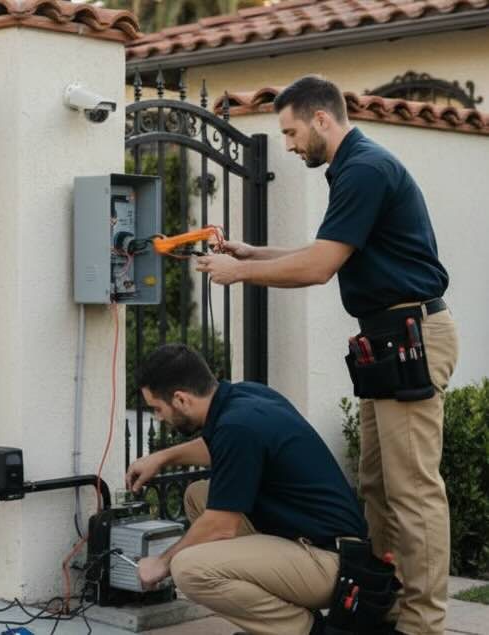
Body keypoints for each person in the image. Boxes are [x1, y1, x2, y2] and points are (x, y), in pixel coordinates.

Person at [196, 75, 459, 635]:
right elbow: (328, 251)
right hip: (385, 341)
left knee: (413, 492)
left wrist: (240, 272)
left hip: (410, 336)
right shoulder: (354, 168)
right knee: (377, 488)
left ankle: (423, 624)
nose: (288, 145)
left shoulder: (363, 169)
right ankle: (383, 607)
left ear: (321, 119)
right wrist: (254, 251)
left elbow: (318, 269)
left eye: (290, 132)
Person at [125, 344, 369, 635]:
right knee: (198, 496)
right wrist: (162, 457)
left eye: (157, 409)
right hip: (316, 544)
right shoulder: (246, 398)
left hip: (331, 565)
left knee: (188, 569)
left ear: (180, 399)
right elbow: (218, 445)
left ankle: (307, 630)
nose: (159, 418)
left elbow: (221, 527)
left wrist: (161, 564)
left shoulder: (236, 427)